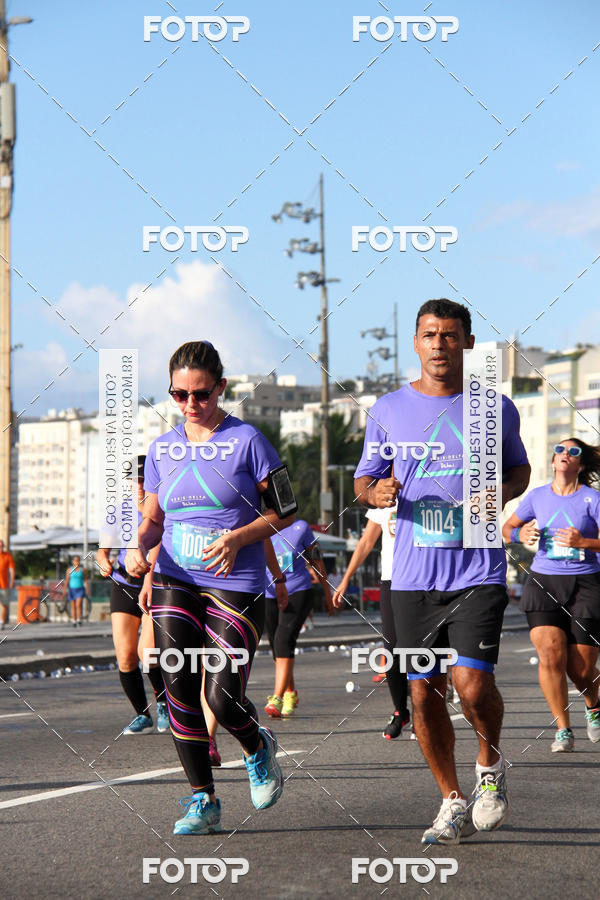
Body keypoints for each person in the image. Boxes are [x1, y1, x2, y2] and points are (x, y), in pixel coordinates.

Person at [354, 298, 530, 845]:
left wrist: (498, 492)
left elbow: (520, 470)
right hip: (411, 576)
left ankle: (490, 767)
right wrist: (376, 490)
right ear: (416, 343)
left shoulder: (493, 409)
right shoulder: (386, 409)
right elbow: (364, 482)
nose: (439, 344)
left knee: (472, 687)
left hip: (476, 567)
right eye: (429, 334)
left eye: (450, 335)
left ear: (468, 344)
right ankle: (451, 799)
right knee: (423, 692)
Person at [126, 340, 296, 835]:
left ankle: (257, 745)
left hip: (237, 582)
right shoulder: (161, 450)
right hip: (177, 577)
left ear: (221, 388)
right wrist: (138, 545)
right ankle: (203, 798)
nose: (190, 405)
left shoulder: (249, 441)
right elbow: (154, 519)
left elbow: (287, 509)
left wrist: (239, 537)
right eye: (179, 395)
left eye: (201, 393)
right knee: (178, 691)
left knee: (221, 698)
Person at [503, 438, 600, 751]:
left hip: (586, 583)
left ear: (580, 464)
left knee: (580, 669)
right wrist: (521, 534)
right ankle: (563, 729)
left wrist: (583, 542)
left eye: (573, 452)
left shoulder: (592, 499)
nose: (564, 454)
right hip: (544, 580)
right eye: (559, 449)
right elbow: (507, 528)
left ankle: (594, 704)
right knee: (550, 654)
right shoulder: (538, 496)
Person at [96, 457, 168, 735]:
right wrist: (103, 560)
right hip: (124, 584)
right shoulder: (120, 511)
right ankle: (142, 714)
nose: (138, 485)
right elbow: (104, 548)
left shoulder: (163, 512)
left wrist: (150, 579)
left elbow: (159, 548)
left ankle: (163, 704)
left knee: (147, 653)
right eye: (133, 480)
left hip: (156, 585)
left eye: (143, 480)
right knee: (125, 656)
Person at [332, 504, 411, 740]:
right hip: (391, 580)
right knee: (392, 649)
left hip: (425, 580)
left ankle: (426, 712)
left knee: (421, 649)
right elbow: (366, 542)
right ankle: (401, 711)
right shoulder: (385, 495)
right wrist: (346, 579)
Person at [264, 521, 333, 718]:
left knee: (283, 641)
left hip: (298, 591)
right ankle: (289, 692)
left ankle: (276, 697)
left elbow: (316, 561)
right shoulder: (260, 527)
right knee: (275, 646)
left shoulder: (301, 527)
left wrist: (327, 594)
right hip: (269, 593)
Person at [64, 556, 89, 627]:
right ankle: (74, 620)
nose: (77, 562)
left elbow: (85, 580)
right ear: (73, 561)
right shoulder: (69, 570)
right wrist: (65, 589)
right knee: (73, 606)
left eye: (78, 561)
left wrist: (87, 588)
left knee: (78, 605)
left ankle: (79, 620)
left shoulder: (83, 570)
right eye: (75, 561)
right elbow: (67, 580)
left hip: (80, 589)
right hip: (72, 589)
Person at [0, 539, 15, 630]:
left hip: (4, 584)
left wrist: (12, 581)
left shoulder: (7, 556)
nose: (0, 548)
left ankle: (1, 622)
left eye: (2, 546)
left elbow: (11, 570)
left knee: (5, 604)